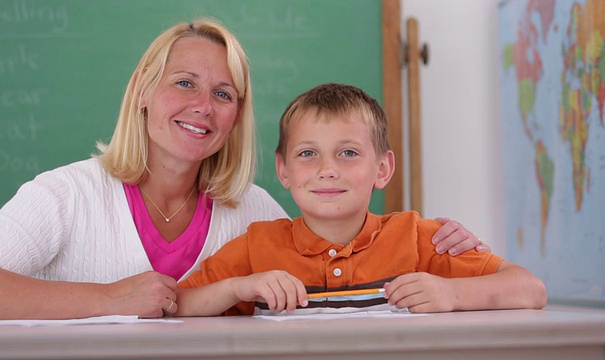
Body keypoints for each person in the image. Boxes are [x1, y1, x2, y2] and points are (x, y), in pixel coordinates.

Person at [0, 19, 485, 320]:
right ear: (142, 95)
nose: (202, 107)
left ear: (236, 117)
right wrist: (106, 300)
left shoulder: (253, 210)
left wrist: (448, 244)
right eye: (185, 83)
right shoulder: (64, 195)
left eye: (223, 94)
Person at [174, 83, 547, 317]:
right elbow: (177, 305)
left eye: (348, 153)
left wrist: (451, 292)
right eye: (307, 154)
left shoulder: (416, 237)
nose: (327, 169)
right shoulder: (258, 247)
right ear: (283, 170)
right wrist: (237, 287)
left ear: (383, 169)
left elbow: (530, 288)